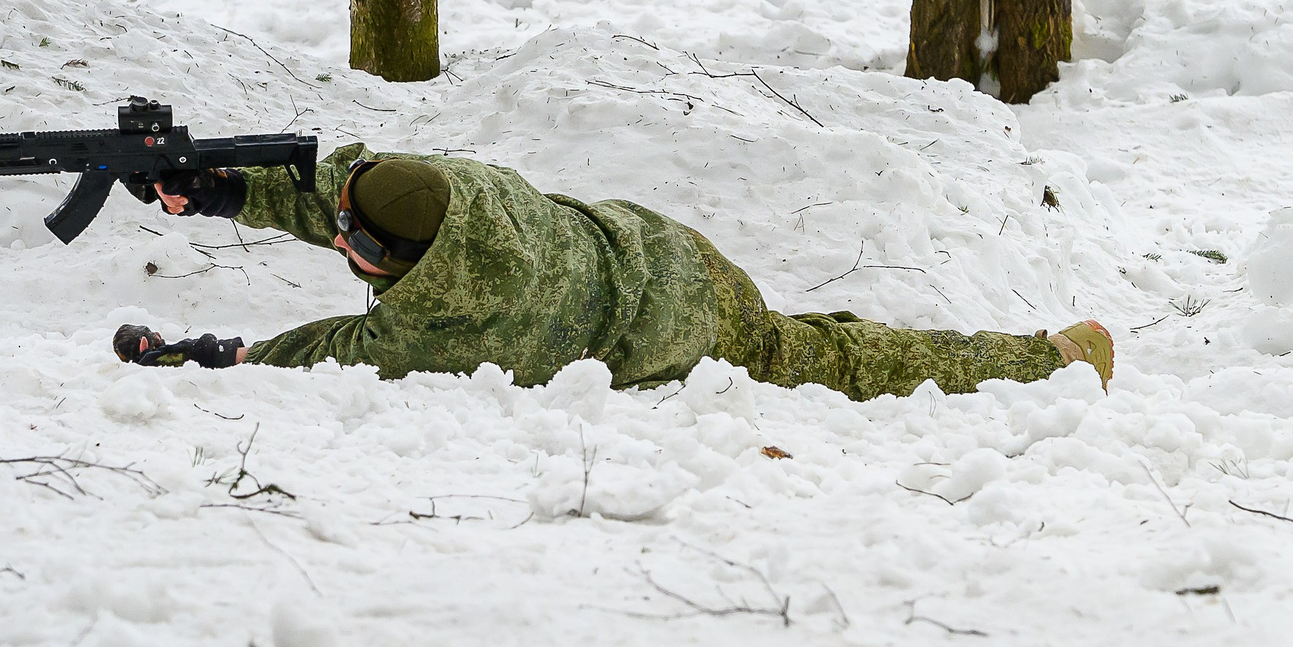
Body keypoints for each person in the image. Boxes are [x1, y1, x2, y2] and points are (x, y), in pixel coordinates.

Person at [115, 146, 1116, 400]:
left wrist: (206, 356)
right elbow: (342, 192)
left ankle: (1045, 363)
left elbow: (326, 352)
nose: (339, 238)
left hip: (682, 327)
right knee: (823, 340)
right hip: (663, 249)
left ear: (400, 267)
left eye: (353, 245)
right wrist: (214, 188)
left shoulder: (457, 322)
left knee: (834, 366)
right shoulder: (460, 187)